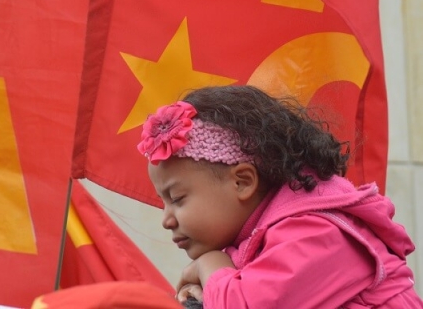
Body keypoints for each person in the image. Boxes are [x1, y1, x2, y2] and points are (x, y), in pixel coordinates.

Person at [138, 85, 423, 308]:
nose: (166, 220)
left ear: (242, 182)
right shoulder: (258, 243)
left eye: (177, 198)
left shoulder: (320, 233)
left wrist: (209, 265)